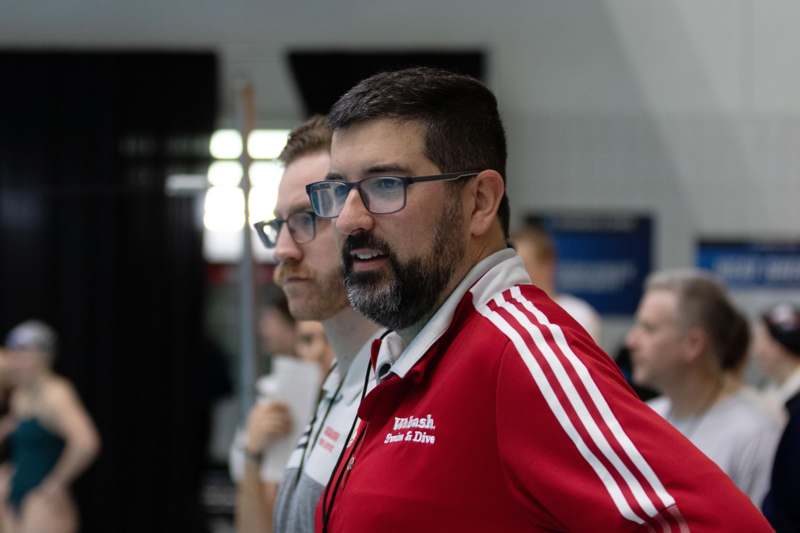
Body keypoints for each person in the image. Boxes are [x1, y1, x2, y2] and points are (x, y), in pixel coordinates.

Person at [304, 67, 772, 532]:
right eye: (339, 189)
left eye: (386, 185)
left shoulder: (520, 352)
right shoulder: (402, 356)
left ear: (480, 202)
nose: (348, 219)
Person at [234, 115, 380, 533]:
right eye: (279, 225)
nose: (283, 250)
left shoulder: (408, 384)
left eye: (305, 219)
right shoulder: (333, 387)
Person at [626, 269, 782, 504]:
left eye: (649, 329)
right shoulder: (645, 418)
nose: (632, 341)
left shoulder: (755, 436)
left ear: (693, 344)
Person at [1, 320, 100, 533]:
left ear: (43, 356)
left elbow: (86, 443)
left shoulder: (56, 394)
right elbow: (20, 426)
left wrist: (55, 483)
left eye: (23, 354)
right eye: (14, 353)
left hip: (41, 500)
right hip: (18, 492)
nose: (16, 361)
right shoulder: (22, 393)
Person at [512, 223, 602, 342]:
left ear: (547, 265)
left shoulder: (579, 314)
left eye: (523, 266)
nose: (515, 275)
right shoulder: (505, 316)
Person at [755, 303, 800, 532]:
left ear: (776, 346)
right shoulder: (772, 393)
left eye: (760, 341)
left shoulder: (792, 407)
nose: (756, 351)